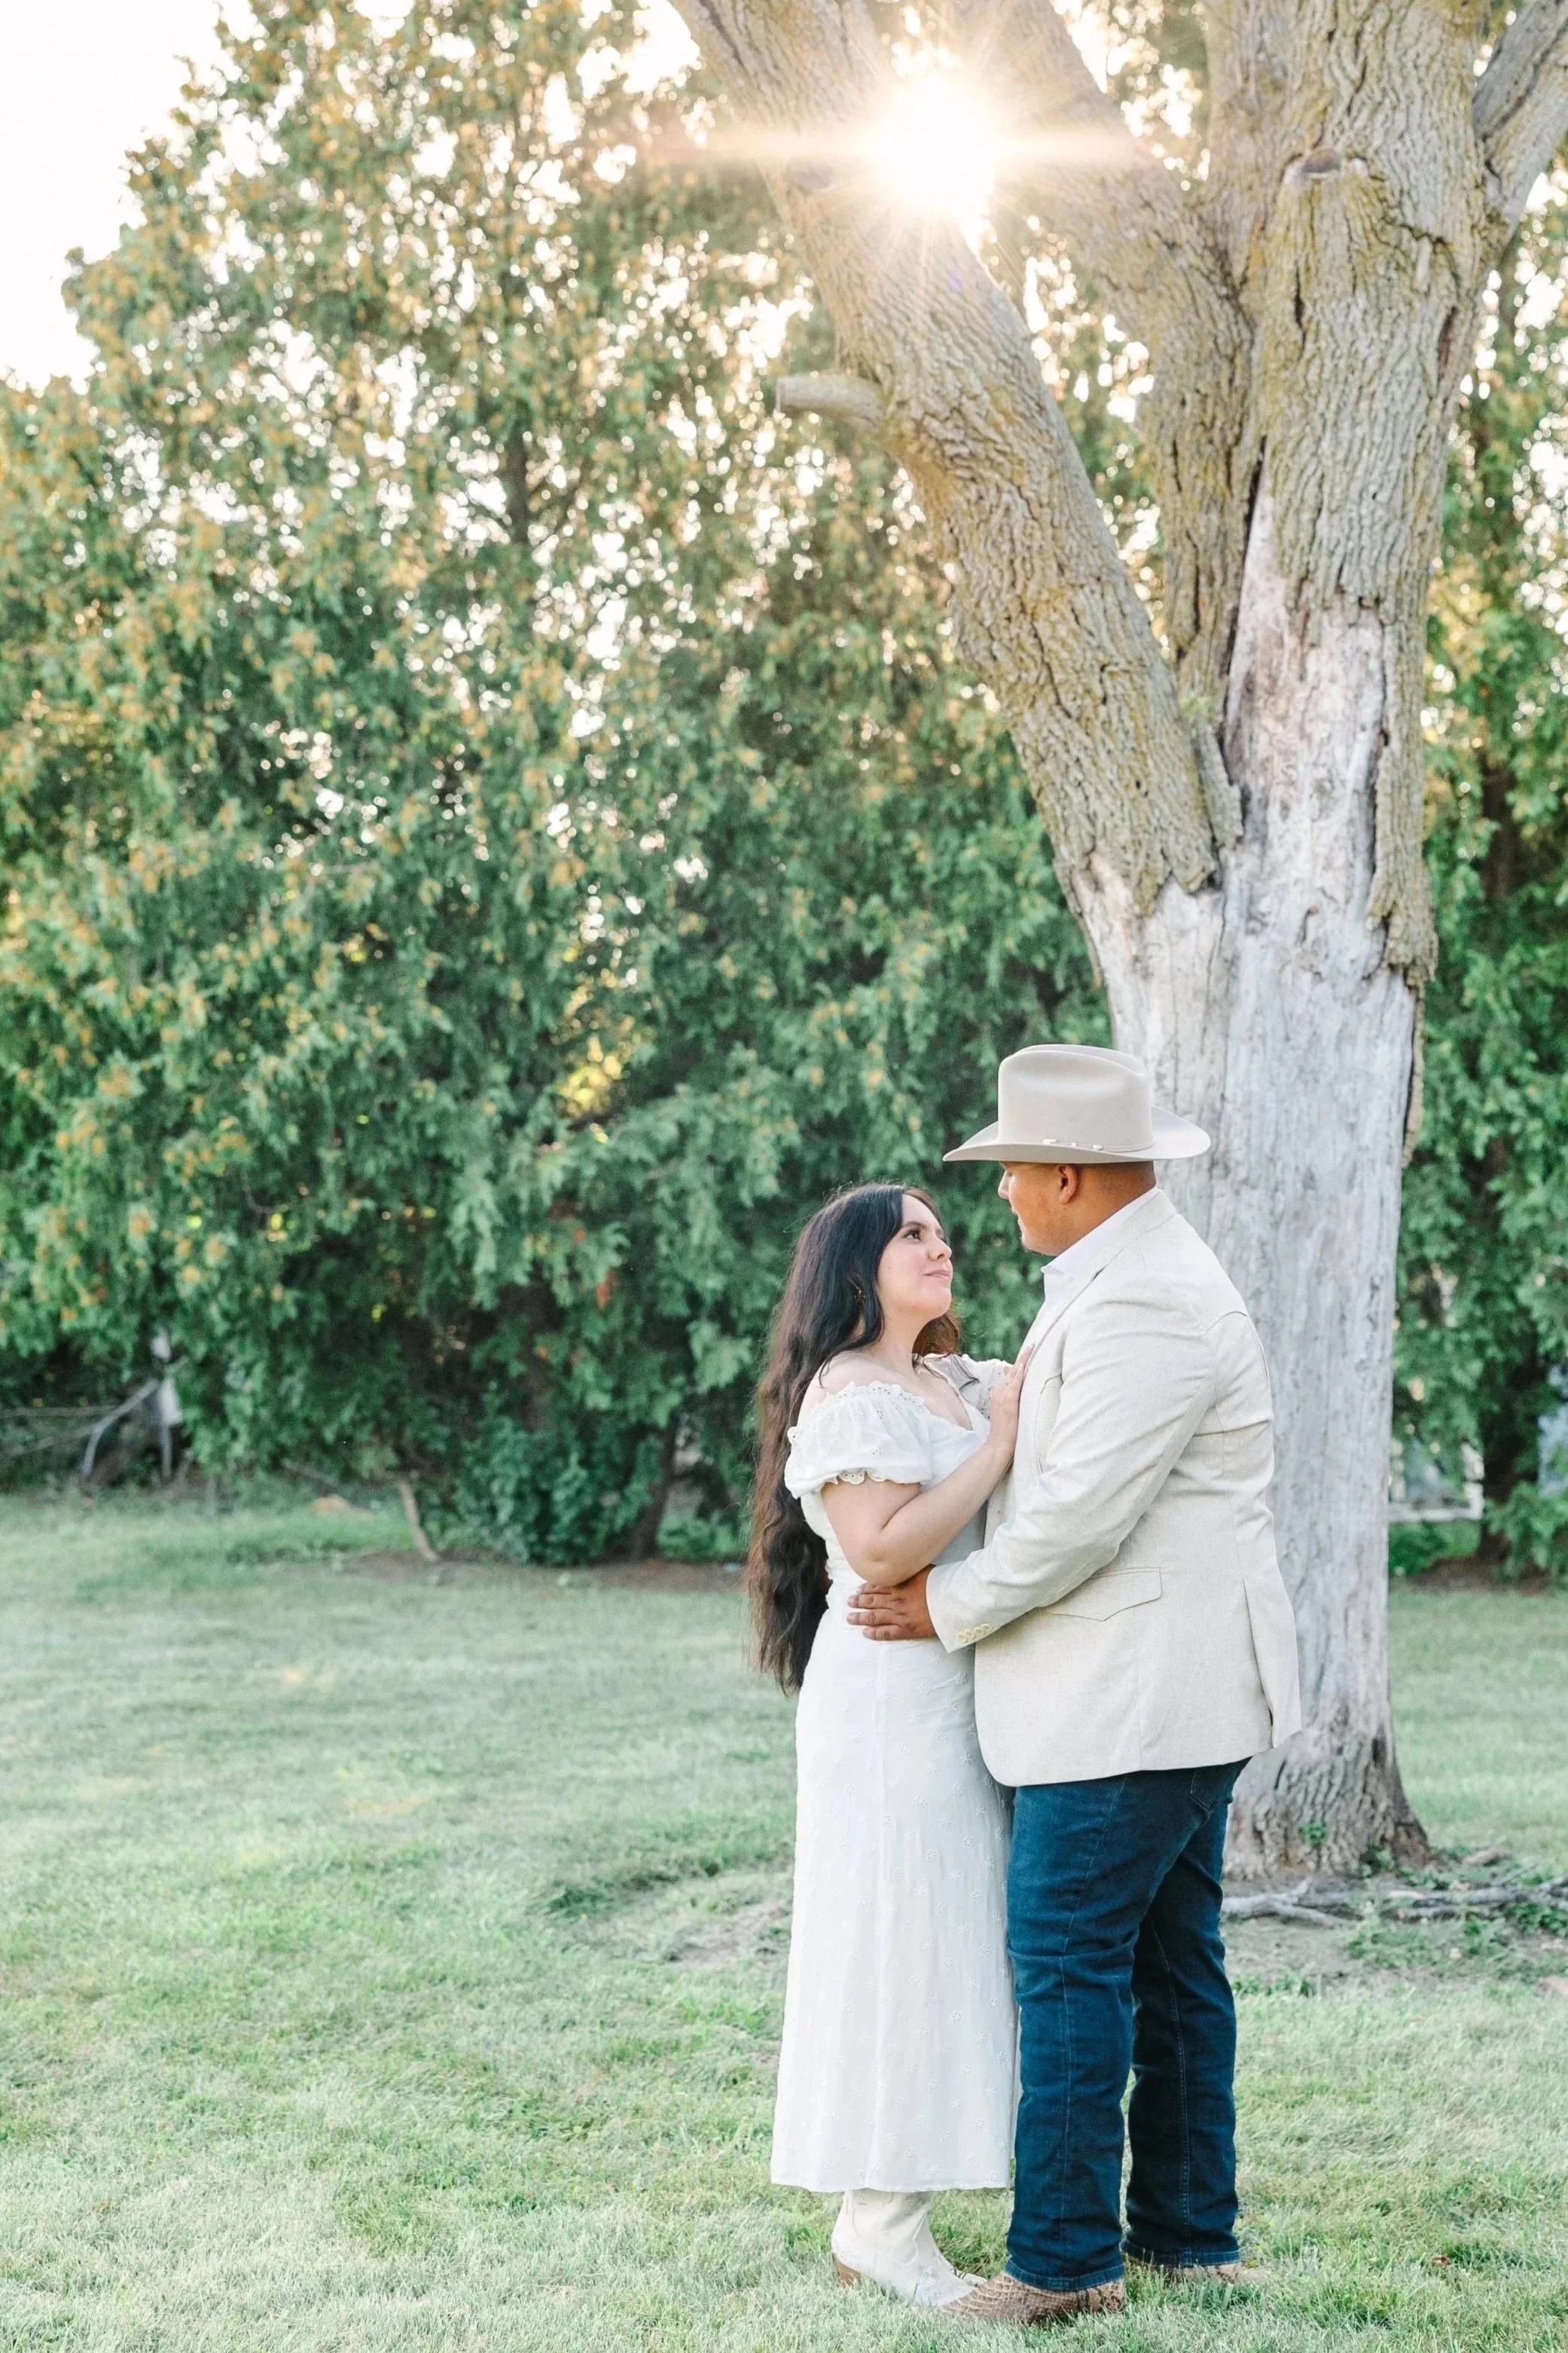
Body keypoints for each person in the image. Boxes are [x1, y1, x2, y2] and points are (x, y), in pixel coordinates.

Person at [850, 1044, 1303, 2328]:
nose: (996, 1199)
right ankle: (1185, 2237)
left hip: (1132, 1699)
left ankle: (1059, 2266)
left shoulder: (1146, 1298)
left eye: (1004, 1175)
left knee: (1066, 1968)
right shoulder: (1111, 1278)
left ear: (1063, 1173)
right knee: (1167, 1971)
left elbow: (1072, 1523)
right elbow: (1056, 1428)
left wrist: (936, 1605)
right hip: (1157, 1690)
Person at [749, 1182, 1029, 2308]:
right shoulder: (850, 1392)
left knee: (953, 1934)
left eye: (940, 1229)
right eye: (910, 1234)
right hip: (887, 1700)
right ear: (854, 1266)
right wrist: (999, 1446)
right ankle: (881, 2224)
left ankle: (899, 2202)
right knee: (900, 1940)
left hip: (954, 1684)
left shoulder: (943, 1378)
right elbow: (878, 1553)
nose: (939, 1243)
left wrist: (998, 1408)